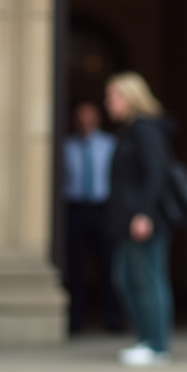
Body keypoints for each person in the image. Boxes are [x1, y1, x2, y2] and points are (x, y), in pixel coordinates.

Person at [104, 71, 176, 367]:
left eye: (113, 96)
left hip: (144, 220)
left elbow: (155, 174)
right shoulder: (133, 129)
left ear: (129, 97)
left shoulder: (145, 129)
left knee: (148, 279)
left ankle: (157, 347)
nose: (108, 103)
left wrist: (144, 214)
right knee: (125, 278)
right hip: (131, 220)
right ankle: (146, 340)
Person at [62, 101, 121, 334]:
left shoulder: (110, 144)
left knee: (108, 265)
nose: (86, 122)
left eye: (90, 117)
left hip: (103, 209)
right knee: (75, 266)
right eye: (81, 117)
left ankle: (112, 317)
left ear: (97, 119)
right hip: (75, 208)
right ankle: (75, 319)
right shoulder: (65, 146)